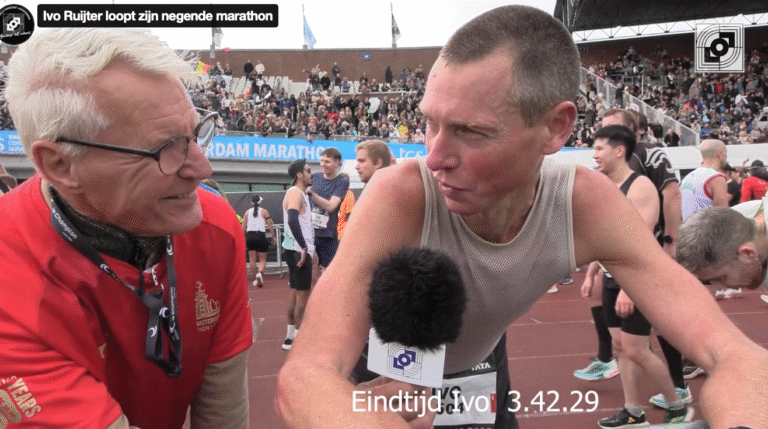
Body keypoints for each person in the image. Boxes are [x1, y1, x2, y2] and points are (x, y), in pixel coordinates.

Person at [276, 6, 768, 429]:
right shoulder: (400, 194)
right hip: (381, 364)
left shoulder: (583, 203)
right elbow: (307, 373)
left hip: (482, 362)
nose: (434, 156)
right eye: (430, 122)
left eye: (470, 131)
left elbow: (733, 354)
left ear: (555, 128)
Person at [0, 28, 252, 428]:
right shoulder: (10, 282)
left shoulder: (215, 225)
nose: (203, 168)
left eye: (194, 132)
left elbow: (225, 413)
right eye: (164, 148)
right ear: (60, 165)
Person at [587, 125, 690, 426]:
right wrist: (592, 271)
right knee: (621, 348)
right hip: (610, 276)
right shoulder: (603, 184)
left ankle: (676, 404)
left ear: (620, 151)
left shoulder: (641, 186)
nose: (594, 155)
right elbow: (605, 236)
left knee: (636, 348)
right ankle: (633, 410)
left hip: (636, 279)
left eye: (599, 149)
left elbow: (641, 242)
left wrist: (628, 289)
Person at [676, 196, 767, 294]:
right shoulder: (729, 220)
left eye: (722, 278)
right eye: (706, 281)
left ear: (747, 253)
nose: (718, 288)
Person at [281, 159, 315, 351]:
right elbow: (293, 220)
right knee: (303, 297)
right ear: (300, 175)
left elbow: (300, 223)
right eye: (309, 171)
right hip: (297, 251)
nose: (312, 174)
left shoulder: (298, 193)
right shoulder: (295, 193)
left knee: (294, 292)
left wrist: (311, 248)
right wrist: (304, 247)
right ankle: (301, 342)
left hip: (294, 249)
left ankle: (290, 336)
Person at [306, 147, 349, 287]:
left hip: (328, 235)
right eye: (321, 160)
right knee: (313, 274)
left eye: (327, 161)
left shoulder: (341, 181)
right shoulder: (315, 177)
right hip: (311, 234)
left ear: (336, 163)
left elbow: (331, 206)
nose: (323, 164)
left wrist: (312, 194)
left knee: (330, 277)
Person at [243, 195, 276, 288]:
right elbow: (270, 225)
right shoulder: (264, 212)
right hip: (260, 235)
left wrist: (243, 237)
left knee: (252, 259)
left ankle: (255, 277)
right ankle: (260, 274)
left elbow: (243, 226)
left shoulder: (247, 213)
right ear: (260, 202)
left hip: (250, 235)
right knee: (262, 259)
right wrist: (273, 236)